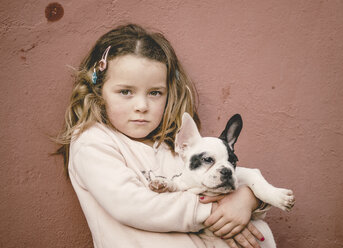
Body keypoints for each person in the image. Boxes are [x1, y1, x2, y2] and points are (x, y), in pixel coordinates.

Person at [55, 23, 274, 248]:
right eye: (126, 92)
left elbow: (217, 183)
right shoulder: (93, 142)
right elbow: (132, 205)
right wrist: (215, 211)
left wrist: (248, 199)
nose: (142, 105)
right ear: (98, 90)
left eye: (154, 93)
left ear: (170, 93)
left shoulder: (177, 147)